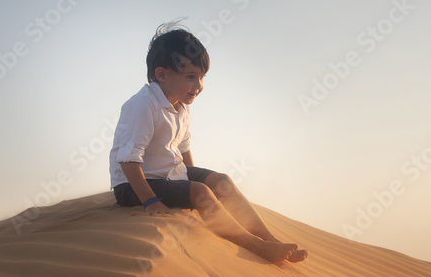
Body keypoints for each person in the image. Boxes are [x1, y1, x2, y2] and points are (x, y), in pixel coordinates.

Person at [110, 22, 307, 264]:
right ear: (162, 74)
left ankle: (271, 240)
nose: (198, 85)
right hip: (133, 186)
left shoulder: (180, 105)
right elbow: (128, 159)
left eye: (202, 77)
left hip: (169, 174)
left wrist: (190, 181)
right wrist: (151, 201)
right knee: (201, 191)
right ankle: (255, 245)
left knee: (221, 181)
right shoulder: (142, 105)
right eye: (191, 77)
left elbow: (183, 149)